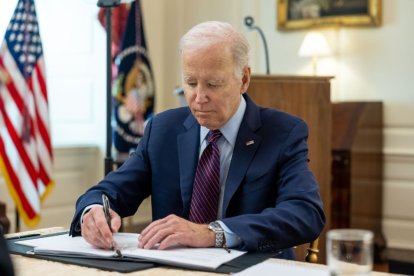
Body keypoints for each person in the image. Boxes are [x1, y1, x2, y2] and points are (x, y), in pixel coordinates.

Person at [70, 21, 325, 260]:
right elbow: (108, 191)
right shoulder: (162, 130)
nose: (199, 97)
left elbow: (306, 213)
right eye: (190, 83)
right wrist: (93, 211)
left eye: (213, 84)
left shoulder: (283, 132)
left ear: (244, 79)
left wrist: (213, 233)